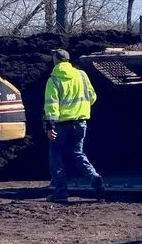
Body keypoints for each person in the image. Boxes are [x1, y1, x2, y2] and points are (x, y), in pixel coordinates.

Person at [43, 48, 104, 204]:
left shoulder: (54, 79)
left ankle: (60, 192)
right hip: (81, 123)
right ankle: (93, 176)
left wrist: (50, 127)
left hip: (61, 125)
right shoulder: (82, 75)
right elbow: (92, 97)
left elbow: (51, 106)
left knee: (56, 155)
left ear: (56, 60)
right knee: (78, 153)